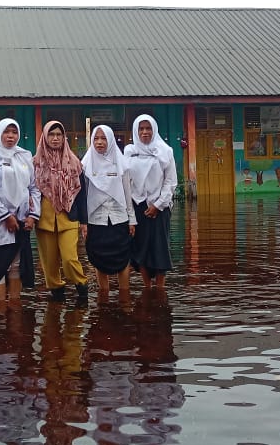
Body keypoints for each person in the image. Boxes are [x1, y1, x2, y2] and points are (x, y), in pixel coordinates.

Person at [0, 118, 40, 307]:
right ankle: (0, 310)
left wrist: (33, 215)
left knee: (16, 264)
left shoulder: (24, 156)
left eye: (14, 132)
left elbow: (34, 188)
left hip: (21, 220)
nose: (10, 136)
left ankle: (14, 307)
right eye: (7, 132)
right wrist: (5, 216)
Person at [32, 120, 88, 304]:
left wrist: (84, 222)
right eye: (51, 134)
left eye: (59, 135)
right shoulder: (36, 164)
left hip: (68, 217)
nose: (55, 138)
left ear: (64, 138)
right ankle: (56, 294)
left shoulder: (74, 163)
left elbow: (81, 195)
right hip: (44, 219)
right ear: (45, 137)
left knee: (69, 258)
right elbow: (30, 192)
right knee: (49, 262)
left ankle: (82, 287)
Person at [81, 125, 137, 301]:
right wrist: (84, 223)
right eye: (96, 138)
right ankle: (103, 297)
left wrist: (132, 220)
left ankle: (124, 297)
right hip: (95, 220)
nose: (99, 142)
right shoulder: (85, 165)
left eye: (103, 138)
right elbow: (84, 195)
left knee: (123, 258)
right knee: (99, 259)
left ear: (111, 140)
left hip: (119, 217)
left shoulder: (122, 164)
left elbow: (128, 194)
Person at [124, 114, 177, 288]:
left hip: (159, 208)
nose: (145, 132)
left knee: (159, 248)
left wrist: (158, 204)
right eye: (141, 129)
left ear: (154, 130)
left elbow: (170, 182)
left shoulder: (165, 151)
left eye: (148, 128)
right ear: (135, 131)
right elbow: (126, 181)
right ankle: (147, 287)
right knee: (140, 249)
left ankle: (160, 288)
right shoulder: (130, 152)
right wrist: (130, 210)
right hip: (138, 207)